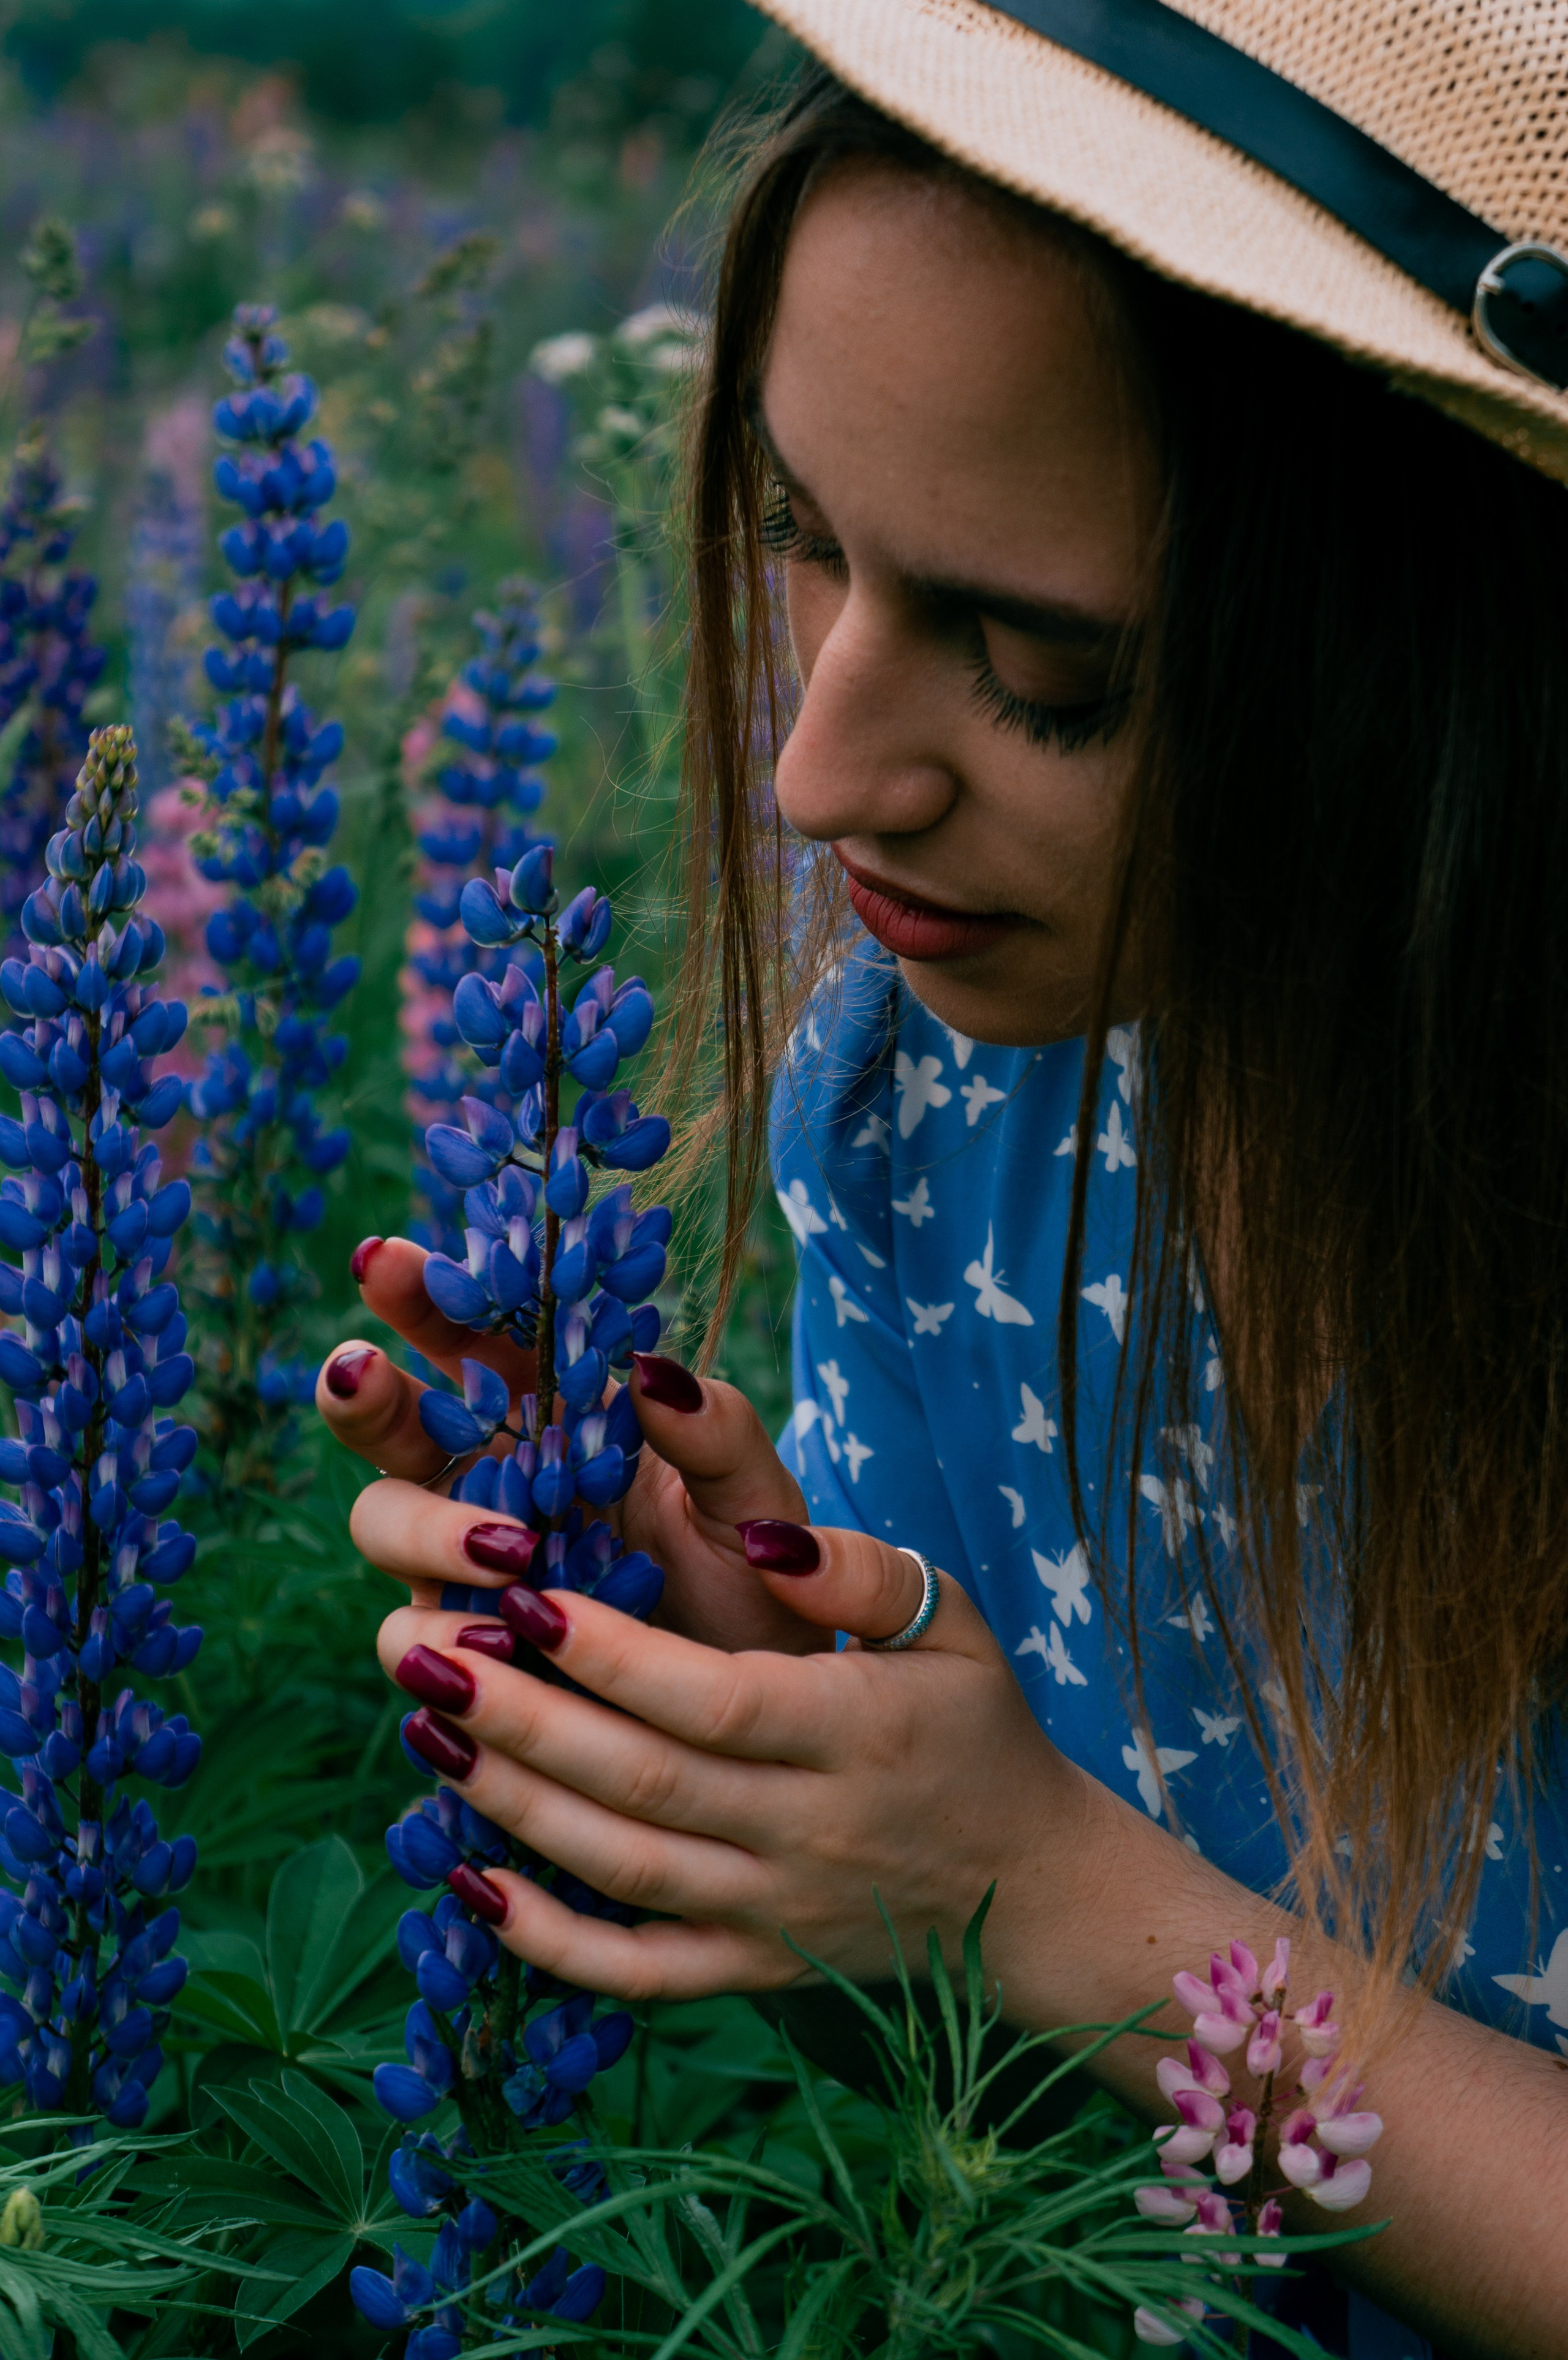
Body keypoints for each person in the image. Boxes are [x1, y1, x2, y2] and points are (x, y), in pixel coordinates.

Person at [316, 6, 1568, 2351]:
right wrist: (776, 1772)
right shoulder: (926, 1071)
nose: (811, 774)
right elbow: (996, 2129)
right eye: (803, 537)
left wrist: (1057, 1903)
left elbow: (1054, 1938)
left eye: (1038, 673)